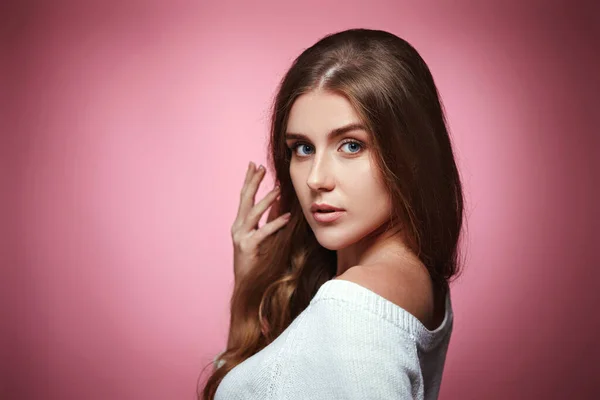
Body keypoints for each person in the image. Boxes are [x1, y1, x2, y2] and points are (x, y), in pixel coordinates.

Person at [199, 27, 464, 400]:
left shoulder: (351, 310)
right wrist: (250, 287)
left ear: (412, 154)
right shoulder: (417, 281)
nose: (316, 179)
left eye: (351, 145)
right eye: (303, 148)